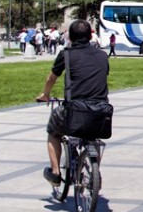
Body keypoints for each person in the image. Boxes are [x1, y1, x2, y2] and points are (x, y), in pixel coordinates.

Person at [34, 19, 110, 185]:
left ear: (70, 37)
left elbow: (51, 78)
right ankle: (94, 170)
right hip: (100, 110)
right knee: (93, 136)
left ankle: (55, 172)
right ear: (90, 36)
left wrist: (46, 94)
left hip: (75, 109)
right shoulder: (103, 55)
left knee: (53, 130)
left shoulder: (66, 54)